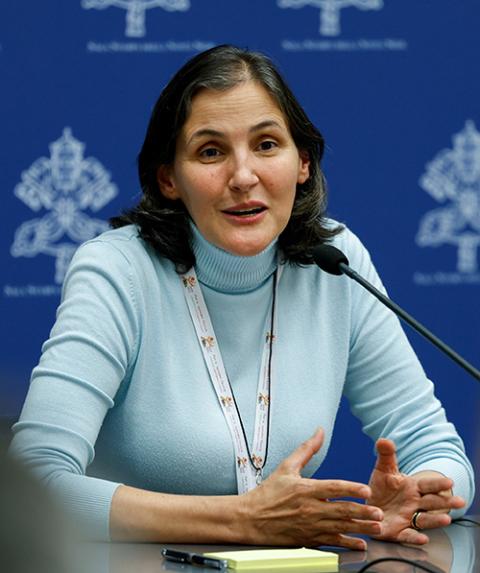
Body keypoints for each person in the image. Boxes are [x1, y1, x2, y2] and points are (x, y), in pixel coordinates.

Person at [9, 44, 474, 550]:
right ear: (169, 178)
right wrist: (241, 519)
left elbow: (438, 448)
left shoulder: (333, 260)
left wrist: (419, 496)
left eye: (268, 145)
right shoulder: (120, 270)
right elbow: (36, 484)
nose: (244, 176)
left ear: (303, 163)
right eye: (211, 151)